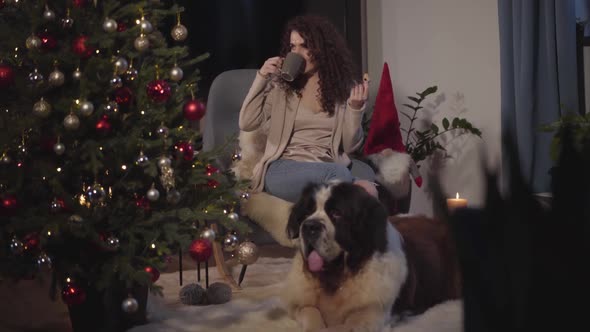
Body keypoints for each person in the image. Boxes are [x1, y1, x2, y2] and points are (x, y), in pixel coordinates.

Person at [238, 15, 377, 203]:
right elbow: (247, 122)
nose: (296, 53)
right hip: (283, 169)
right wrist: (262, 77)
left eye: (304, 46)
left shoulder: (343, 89)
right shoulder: (282, 87)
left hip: (326, 169)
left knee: (368, 191)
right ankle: (346, 192)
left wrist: (355, 108)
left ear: (322, 49)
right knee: (340, 176)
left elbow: (351, 146)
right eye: (293, 47)